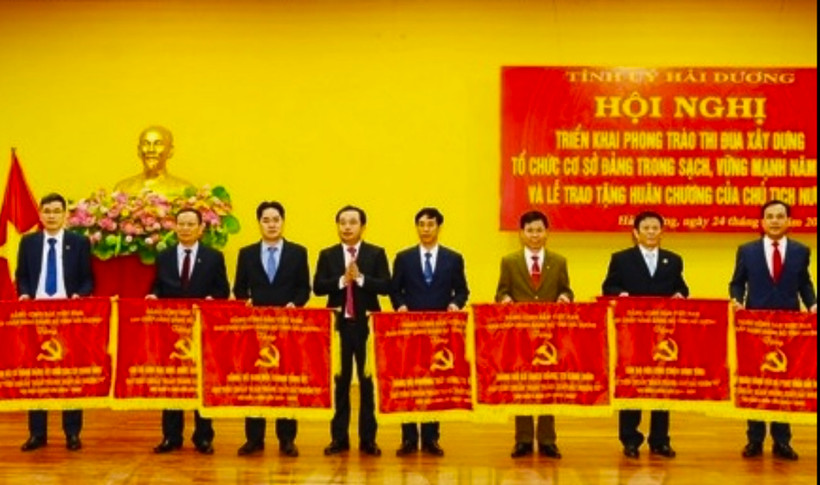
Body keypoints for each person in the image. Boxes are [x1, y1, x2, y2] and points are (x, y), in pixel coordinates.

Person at [730, 200, 817, 461]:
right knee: (756, 382)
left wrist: (813, 304)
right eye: (770, 216)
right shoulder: (747, 250)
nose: (775, 221)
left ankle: (782, 441)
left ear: (789, 221)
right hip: (755, 325)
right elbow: (737, 283)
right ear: (762, 221)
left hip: (789, 326)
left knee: (783, 383)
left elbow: (804, 283)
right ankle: (754, 439)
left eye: (780, 216)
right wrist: (736, 300)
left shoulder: (801, 251)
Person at [602, 211, 689, 459]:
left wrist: (680, 295)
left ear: (662, 231)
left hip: (662, 335)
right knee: (632, 385)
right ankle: (630, 439)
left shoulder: (673, 260)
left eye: (655, 228)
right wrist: (622, 296)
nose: (651, 232)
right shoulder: (621, 259)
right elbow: (609, 286)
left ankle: (660, 440)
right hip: (632, 334)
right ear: (636, 233)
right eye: (646, 228)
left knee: (661, 387)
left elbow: (681, 287)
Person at [148, 208, 230, 455]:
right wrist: (153, 296)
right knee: (172, 381)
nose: (185, 228)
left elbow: (223, 291)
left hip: (201, 329)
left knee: (201, 382)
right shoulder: (164, 256)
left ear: (200, 228)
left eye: (190, 224)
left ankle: (203, 437)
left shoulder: (213, 257)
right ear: (175, 227)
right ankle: (171, 437)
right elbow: (157, 287)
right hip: (171, 330)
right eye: (181, 224)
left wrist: (211, 299)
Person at [15, 193, 93, 452]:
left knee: (70, 374)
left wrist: (79, 296)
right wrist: (24, 294)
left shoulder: (79, 242)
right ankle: (37, 433)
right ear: (40, 214)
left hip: (68, 315)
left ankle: (72, 433)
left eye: (56, 211)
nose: (51, 215)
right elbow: (22, 276)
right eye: (47, 211)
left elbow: (88, 279)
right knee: (37, 375)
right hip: (36, 315)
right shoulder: (29, 242)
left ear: (65, 214)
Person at [233, 201, 311, 457]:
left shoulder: (298, 252)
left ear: (283, 221)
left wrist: (295, 304)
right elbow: (239, 288)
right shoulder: (246, 253)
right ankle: (254, 438)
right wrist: (246, 301)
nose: (271, 224)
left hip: (287, 327)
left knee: (285, 382)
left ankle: (287, 439)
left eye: (275, 219)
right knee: (255, 382)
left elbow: (304, 288)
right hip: (256, 328)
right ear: (259, 223)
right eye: (266, 220)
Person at [391, 208, 469, 458]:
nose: (425, 229)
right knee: (410, 383)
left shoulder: (453, 258)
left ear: (438, 227)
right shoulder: (404, 258)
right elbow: (395, 290)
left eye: (430, 224)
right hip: (410, 331)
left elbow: (462, 291)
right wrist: (400, 306)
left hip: (439, 333)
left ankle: (431, 438)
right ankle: (408, 438)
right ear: (416, 227)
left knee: (435, 384)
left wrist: (455, 304)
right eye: (421, 224)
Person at [314, 205, 391, 457]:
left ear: (362, 226)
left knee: (368, 385)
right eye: (342, 222)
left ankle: (368, 440)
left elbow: (386, 286)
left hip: (367, 327)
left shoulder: (375, 253)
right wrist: (342, 280)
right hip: (339, 327)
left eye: (352, 222)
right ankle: (339, 438)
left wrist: (360, 279)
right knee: (340, 384)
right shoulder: (328, 255)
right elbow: (318, 287)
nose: (347, 227)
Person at [495, 210, 573, 460]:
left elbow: (567, 290)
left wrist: (565, 298)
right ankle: (524, 440)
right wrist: (505, 300)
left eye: (539, 230)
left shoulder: (559, 261)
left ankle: (548, 440)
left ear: (546, 233)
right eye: (530, 231)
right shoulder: (510, 261)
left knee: (548, 387)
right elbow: (501, 292)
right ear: (521, 233)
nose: (535, 235)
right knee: (523, 387)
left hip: (550, 336)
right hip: (520, 336)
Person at [113, 126, 195, 196]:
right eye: (146, 143)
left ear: (170, 151)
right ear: (139, 150)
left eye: (158, 144)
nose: (151, 149)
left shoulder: (184, 189)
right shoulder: (122, 188)